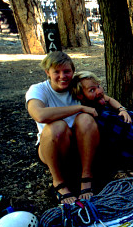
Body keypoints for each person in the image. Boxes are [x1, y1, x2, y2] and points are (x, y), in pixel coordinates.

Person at [26, 52, 99, 204]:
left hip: (79, 148)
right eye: (56, 72)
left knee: (86, 119)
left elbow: (103, 98)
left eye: (67, 71)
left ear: (73, 71)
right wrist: (79, 108)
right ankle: (58, 182)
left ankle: (86, 176)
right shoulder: (38, 90)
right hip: (52, 147)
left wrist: (126, 110)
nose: (62, 76)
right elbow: (39, 115)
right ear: (47, 72)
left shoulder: (77, 86)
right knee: (57, 125)